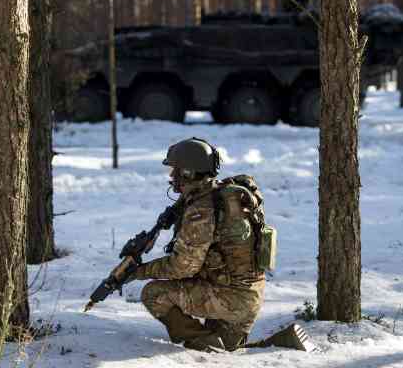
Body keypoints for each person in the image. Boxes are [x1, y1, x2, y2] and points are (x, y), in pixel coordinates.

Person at [131, 137, 311, 352]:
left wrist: (139, 271)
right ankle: (285, 343)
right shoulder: (221, 195)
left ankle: (203, 344)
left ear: (188, 172)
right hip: (246, 297)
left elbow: (184, 266)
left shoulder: (202, 209)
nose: (172, 176)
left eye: (176, 170)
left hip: (230, 299)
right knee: (227, 349)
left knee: (153, 294)